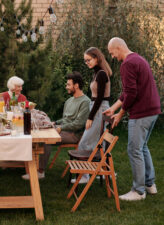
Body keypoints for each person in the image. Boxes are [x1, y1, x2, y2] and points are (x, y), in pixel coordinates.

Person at [104, 37, 161, 201]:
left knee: (134, 149)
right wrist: (113, 108)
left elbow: (131, 93)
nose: (112, 56)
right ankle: (150, 184)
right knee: (142, 147)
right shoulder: (139, 59)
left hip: (142, 113)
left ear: (119, 47)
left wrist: (120, 114)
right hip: (153, 111)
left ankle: (138, 191)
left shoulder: (127, 64)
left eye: (112, 52)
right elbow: (128, 92)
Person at [22, 72, 90, 180]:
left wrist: (60, 128)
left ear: (76, 86)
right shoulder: (69, 100)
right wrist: (54, 123)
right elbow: (66, 119)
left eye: (68, 84)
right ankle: (27, 165)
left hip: (74, 134)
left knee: (46, 139)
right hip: (64, 130)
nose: (66, 87)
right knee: (36, 132)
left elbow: (79, 124)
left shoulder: (85, 102)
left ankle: (40, 171)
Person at [71, 47, 112, 184]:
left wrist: (90, 117)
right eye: (85, 61)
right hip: (97, 108)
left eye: (88, 60)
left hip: (99, 109)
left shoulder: (101, 74)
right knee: (97, 142)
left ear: (96, 58)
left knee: (85, 142)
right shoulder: (97, 73)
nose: (87, 62)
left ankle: (84, 175)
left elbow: (100, 97)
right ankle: (104, 172)